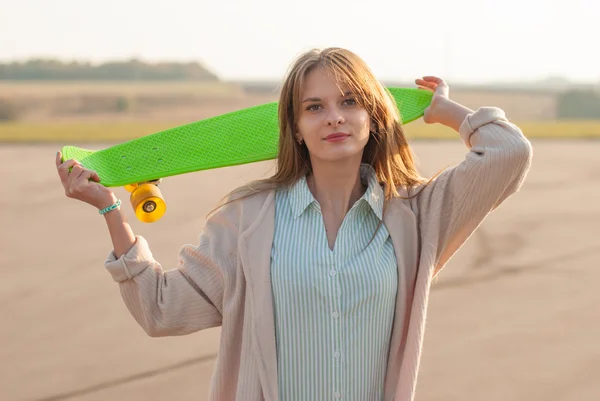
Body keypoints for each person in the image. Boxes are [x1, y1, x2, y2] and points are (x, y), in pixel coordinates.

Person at [55, 47, 532, 401]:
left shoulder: (417, 217)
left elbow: (509, 153)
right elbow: (163, 310)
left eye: (350, 102)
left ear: (374, 117)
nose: (334, 118)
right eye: (314, 107)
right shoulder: (247, 221)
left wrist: (444, 111)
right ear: (297, 129)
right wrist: (110, 210)